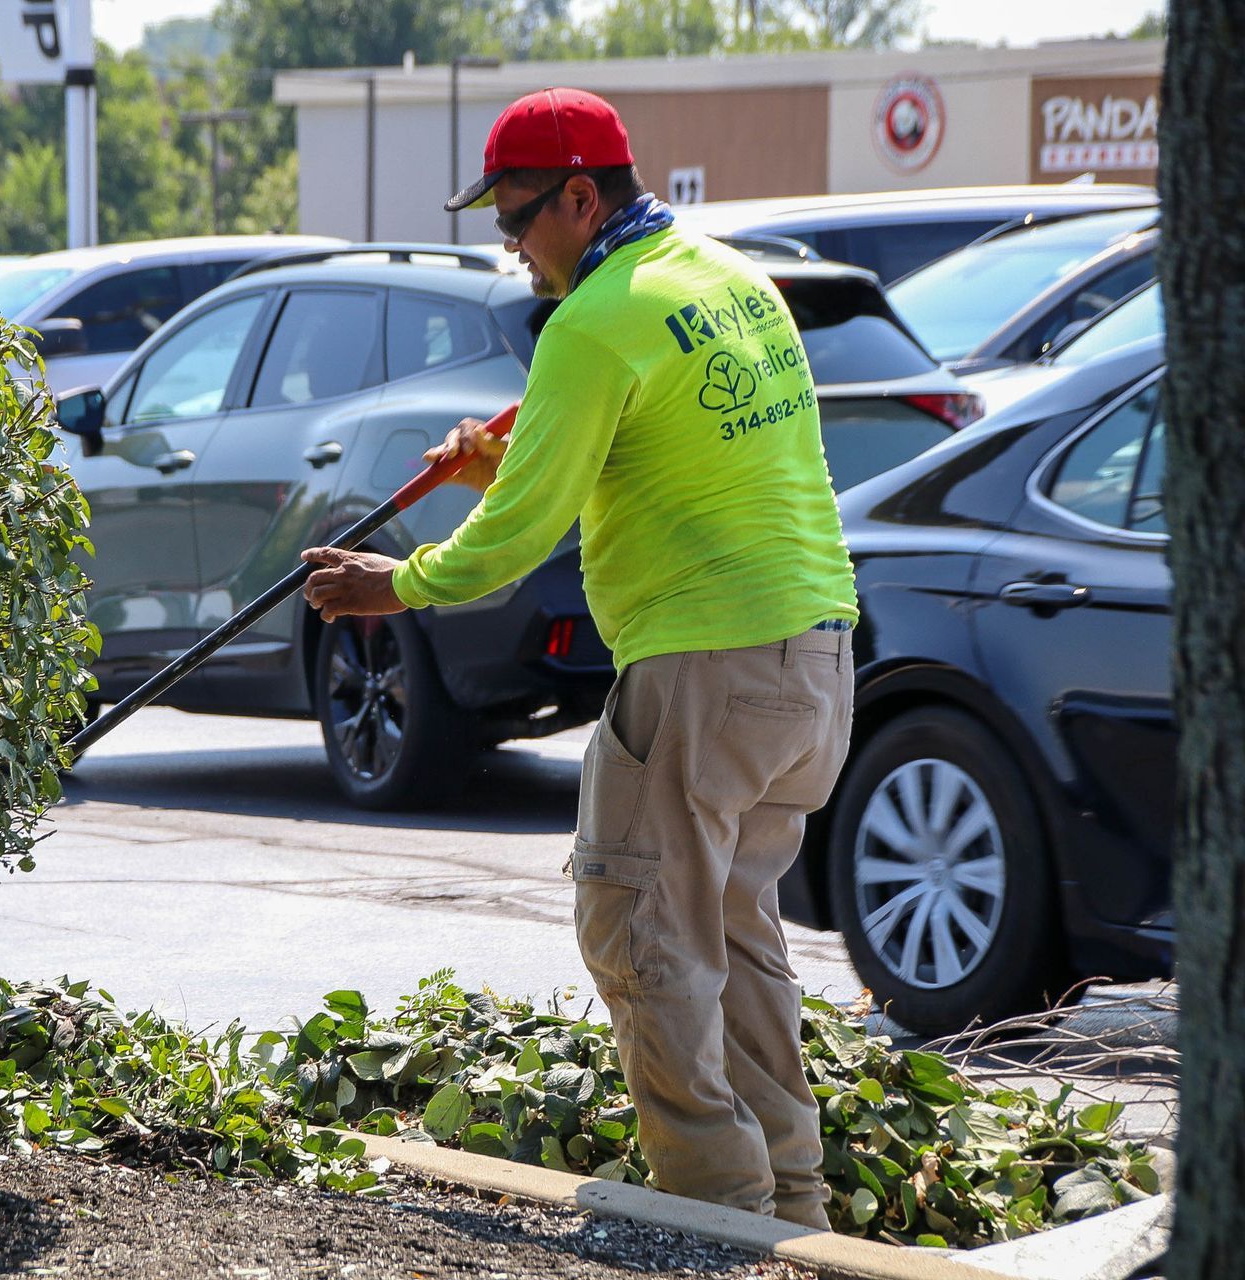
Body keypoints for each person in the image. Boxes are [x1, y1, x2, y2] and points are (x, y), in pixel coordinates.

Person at [300, 87, 857, 1230]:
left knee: (637, 918)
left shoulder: (593, 320)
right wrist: (493, 470)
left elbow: (512, 542)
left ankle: (712, 1210)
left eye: (516, 216)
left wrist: (388, 585)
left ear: (581, 195)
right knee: (735, 931)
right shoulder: (729, 280)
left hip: (703, 667)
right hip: (811, 667)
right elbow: (657, 458)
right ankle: (792, 1207)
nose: (507, 244)